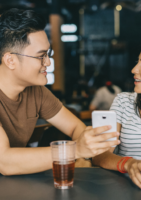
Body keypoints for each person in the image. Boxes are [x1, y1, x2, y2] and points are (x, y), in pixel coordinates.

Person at [0, 8, 120, 175]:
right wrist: (75, 151)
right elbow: (5, 162)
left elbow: (75, 128)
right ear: (10, 60)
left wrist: (90, 146)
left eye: (48, 54)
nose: (48, 63)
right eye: (41, 56)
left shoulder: (37, 92)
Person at [92, 36, 141, 190]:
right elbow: (99, 156)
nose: (134, 70)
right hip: (126, 189)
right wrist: (128, 163)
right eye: (137, 63)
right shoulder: (123, 102)